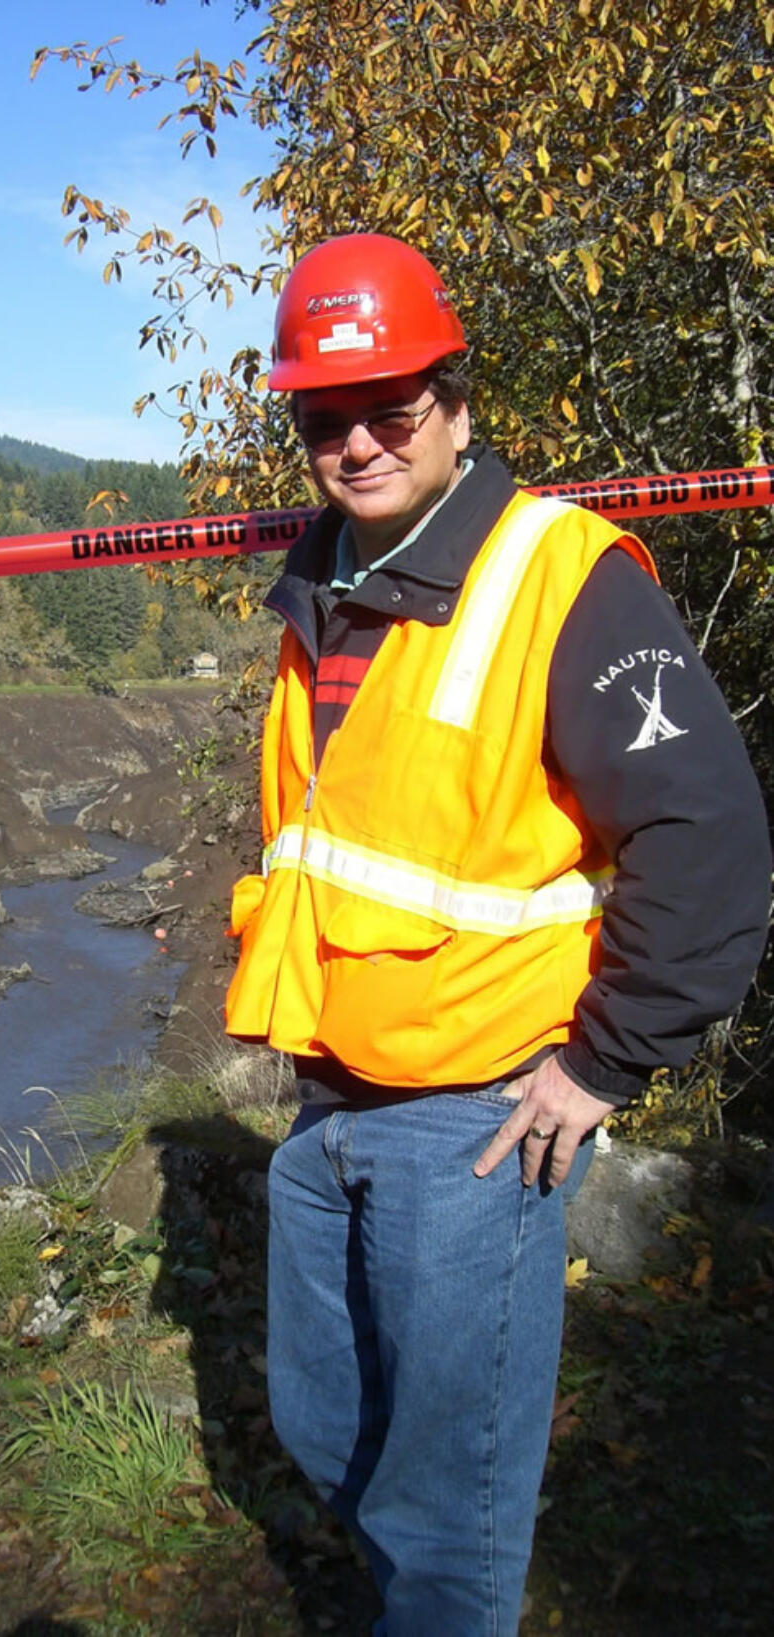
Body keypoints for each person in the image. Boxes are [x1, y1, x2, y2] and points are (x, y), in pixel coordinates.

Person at [224, 233, 771, 1636]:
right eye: (320, 417)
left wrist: (600, 1068)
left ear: (455, 401)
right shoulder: (325, 584)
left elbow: (705, 842)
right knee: (323, 1422)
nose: (354, 443)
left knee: (447, 1520)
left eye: (388, 407)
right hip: (327, 1100)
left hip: (473, 1118)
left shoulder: (559, 578)